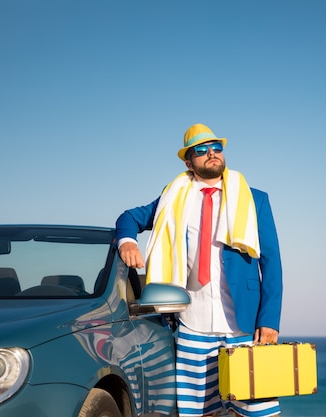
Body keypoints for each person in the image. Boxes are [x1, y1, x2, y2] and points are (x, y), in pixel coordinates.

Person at [115, 123, 283, 417]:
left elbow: (272, 263)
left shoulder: (255, 199)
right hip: (193, 323)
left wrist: (269, 320)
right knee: (201, 411)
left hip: (244, 324)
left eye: (216, 148)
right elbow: (129, 217)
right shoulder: (173, 198)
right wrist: (127, 242)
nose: (211, 154)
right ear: (188, 161)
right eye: (201, 150)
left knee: (256, 411)